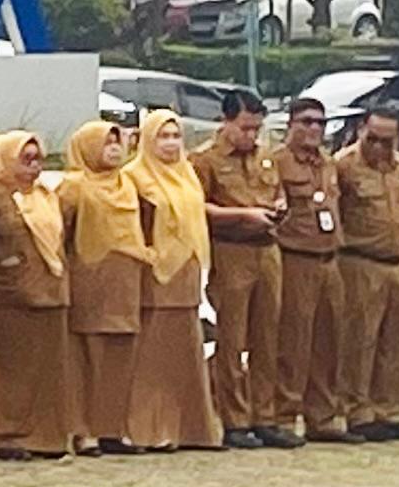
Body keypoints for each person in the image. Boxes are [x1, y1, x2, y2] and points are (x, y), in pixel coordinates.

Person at [124, 108, 225, 452]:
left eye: (175, 136)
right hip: (154, 274)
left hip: (187, 271)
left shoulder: (187, 175)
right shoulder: (133, 178)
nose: (170, 143)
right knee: (153, 354)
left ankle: (192, 429)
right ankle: (150, 429)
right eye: (162, 137)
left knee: (186, 350)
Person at [0, 129, 73, 460]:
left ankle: (47, 437)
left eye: (38, 159)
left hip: (51, 289)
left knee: (48, 369)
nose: (34, 166)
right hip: (9, 296)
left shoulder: (47, 197)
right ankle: (8, 435)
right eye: (25, 159)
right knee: (12, 370)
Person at [198, 88, 288, 448]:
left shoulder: (265, 157)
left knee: (267, 337)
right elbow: (198, 208)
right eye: (245, 128)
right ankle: (234, 420)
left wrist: (278, 206)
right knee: (232, 338)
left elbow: (277, 192)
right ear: (226, 121)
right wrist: (242, 215)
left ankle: (265, 416)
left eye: (256, 128)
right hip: (231, 250)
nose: (251, 136)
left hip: (267, 250)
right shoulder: (205, 159)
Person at [331, 102, 399, 440]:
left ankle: (387, 408)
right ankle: (357, 409)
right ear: (360, 131)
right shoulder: (343, 167)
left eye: (387, 140)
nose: (379, 147)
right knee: (360, 339)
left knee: (396, 341)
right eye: (373, 138)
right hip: (360, 261)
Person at [59, 118, 145, 454]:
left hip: (126, 282)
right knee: (87, 357)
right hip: (90, 282)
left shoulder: (127, 184)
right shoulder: (73, 187)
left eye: (116, 142)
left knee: (120, 356)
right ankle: (85, 430)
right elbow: (60, 234)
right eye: (105, 143)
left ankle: (114, 428)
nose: (113, 149)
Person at [272, 96, 343, 445]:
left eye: (320, 123)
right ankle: (285, 415)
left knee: (328, 341)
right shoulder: (277, 162)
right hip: (295, 257)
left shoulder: (329, 164)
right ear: (291, 124)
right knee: (293, 340)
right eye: (307, 122)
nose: (314, 128)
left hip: (330, 258)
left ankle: (322, 416)